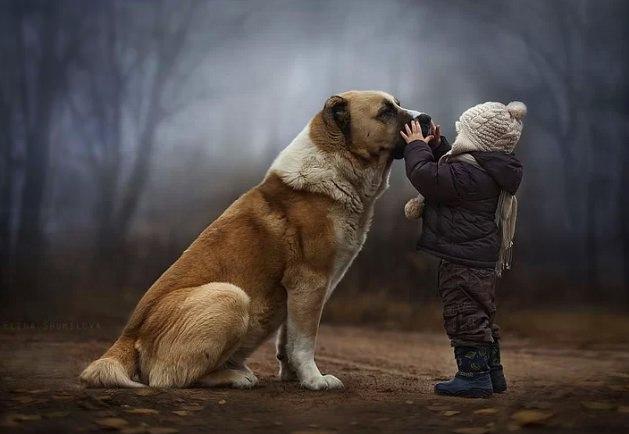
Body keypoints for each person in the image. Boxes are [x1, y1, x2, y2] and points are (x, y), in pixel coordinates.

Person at [400, 101, 526, 398]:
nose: (458, 139)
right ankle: (493, 374)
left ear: (476, 139)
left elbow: (426, 176)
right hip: (478, 257)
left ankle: (473, 377)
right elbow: (451, 170)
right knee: (480, 313)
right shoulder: (486, 169)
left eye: (462, 133)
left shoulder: (469, 175)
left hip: (463, 259)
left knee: (464, 313)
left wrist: (416, 147)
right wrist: (437, 145)